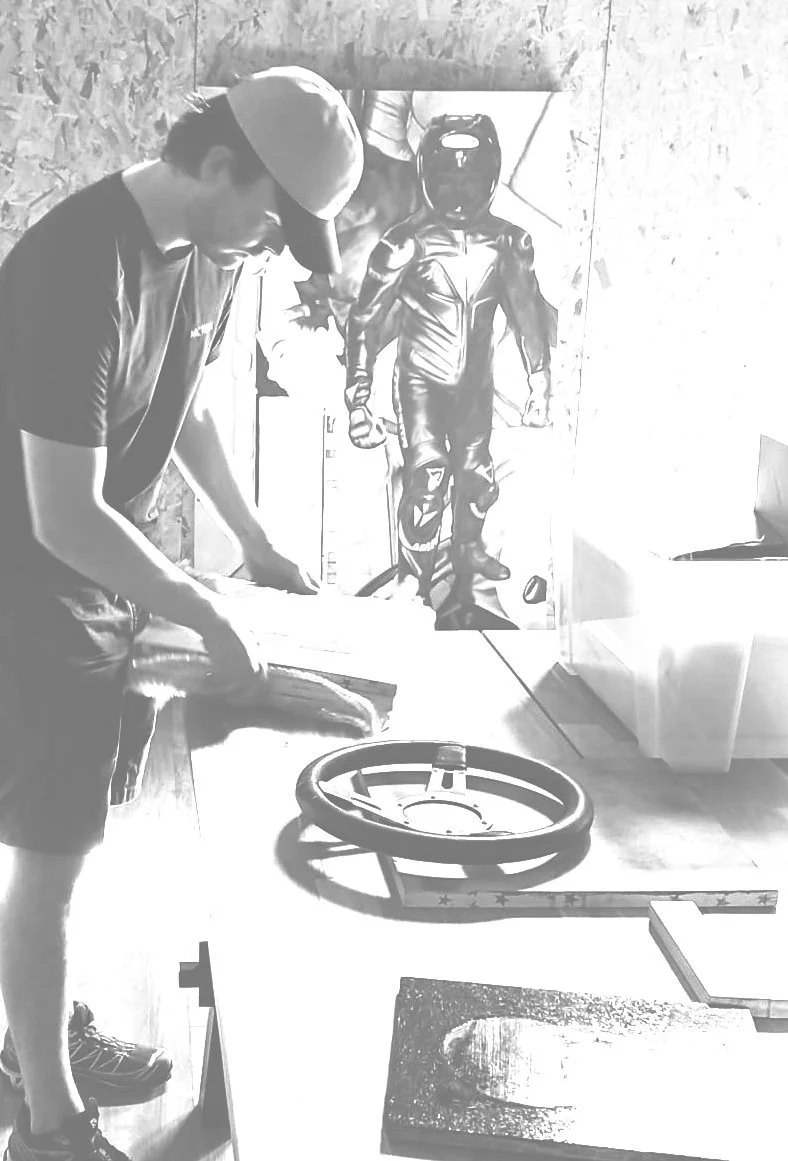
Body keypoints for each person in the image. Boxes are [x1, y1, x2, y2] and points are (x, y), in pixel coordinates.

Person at [0, 66, 363, 1161]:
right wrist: (201, 608)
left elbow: (188, 396)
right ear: (215, 165)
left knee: (80, 831)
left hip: (110, 582)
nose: (267, 239)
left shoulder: (206, 252)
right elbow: (63, 515)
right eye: (269, 212)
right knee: (48, 856)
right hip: (33, 587)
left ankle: (36, 1034)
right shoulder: (75, 265)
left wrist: (251, 541)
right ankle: (51, 1126)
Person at [343, 112, 552, 625]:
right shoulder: (403, 244)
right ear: (428, 174)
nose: (459, 188)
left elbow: (526, 310)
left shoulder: (509, 243)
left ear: (490, 175)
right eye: (448, 175)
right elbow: (365, 320)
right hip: (421, 384)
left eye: (470, 174)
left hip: (476, 384)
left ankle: (468, 555)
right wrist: (359, 396)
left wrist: (540, 379)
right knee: (428, 475)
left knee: (476, 476)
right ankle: (414, 574)